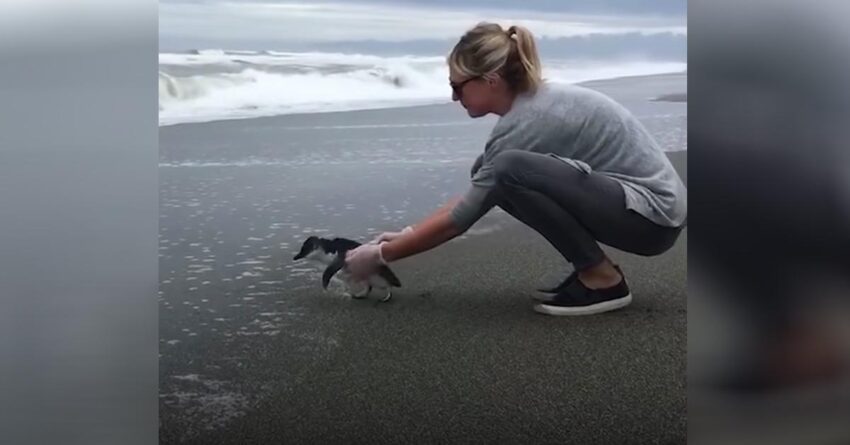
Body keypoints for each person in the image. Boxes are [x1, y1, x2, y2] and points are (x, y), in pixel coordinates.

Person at [345, 22, 687, 316]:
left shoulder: (532, 119)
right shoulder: (533, 105)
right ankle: (593, 270)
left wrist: (380, 255)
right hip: (641, 209)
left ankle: (603, 280)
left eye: (457, 86)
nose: (453, 97)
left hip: (652, 218)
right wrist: (410, 232)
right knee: (493, 170)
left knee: (507, 169)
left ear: (490, 80)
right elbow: (478, 192)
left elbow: (461, 218)